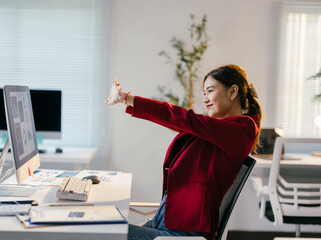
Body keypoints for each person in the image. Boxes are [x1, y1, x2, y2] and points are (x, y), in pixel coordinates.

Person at [105, 64, 262, 240]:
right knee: (97, 229)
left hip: (181, 233)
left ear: (233, 91)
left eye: (210, 91)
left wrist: (126, 98)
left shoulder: (241, 130)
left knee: (99, 233)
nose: (205, 99)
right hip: (167, 221)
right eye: (204, 93)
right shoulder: (219, 131)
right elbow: (177, 122)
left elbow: (183, 118)